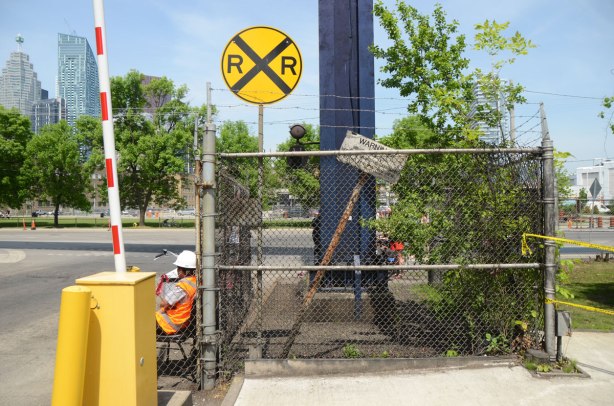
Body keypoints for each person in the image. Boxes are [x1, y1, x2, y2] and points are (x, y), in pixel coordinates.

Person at [155, 250, 197, 335]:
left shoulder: (182, 286)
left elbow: (164, 303)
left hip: (173, 323)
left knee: (142, 321)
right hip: (185, 322)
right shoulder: (197, 281)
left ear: (181, 270)